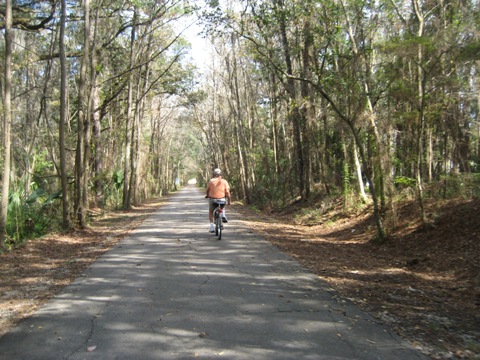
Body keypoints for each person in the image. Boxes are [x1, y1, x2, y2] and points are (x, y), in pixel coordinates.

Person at [205, 168, 231, 233]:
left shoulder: (211, 181)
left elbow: (207, 190)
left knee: (211, 211)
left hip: (213, 200)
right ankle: (223, 215)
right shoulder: (224, 181)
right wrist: (229, 200)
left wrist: (208, 195)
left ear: (214, 174)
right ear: (220, 174)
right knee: (222, 206)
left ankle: (211, 227)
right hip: (222, 199)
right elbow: (227, 192)